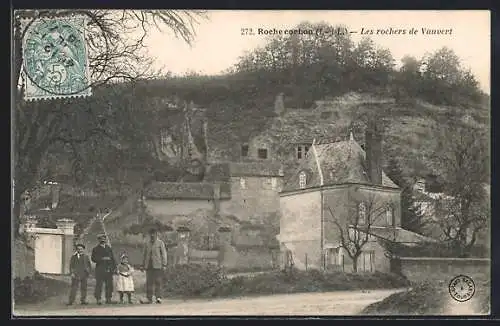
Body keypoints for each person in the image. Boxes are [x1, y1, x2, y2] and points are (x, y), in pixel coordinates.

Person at [140, 228, 167, 304]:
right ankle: (149, 298)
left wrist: (164, 264)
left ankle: (158, 297)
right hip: (148, 266)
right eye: (151, 234)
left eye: (154, 234)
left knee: (158, 281)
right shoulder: (146, 243)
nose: (152, 235)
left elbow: (164, 254)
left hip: (158, 266)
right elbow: (144, 255)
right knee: (149, 282)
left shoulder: (160, 243)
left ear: (156, 234)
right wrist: (142, 265)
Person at [91, 234, 117, 305]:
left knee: (109, 285)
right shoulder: (95, 249)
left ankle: (108, 298)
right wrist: (102, 259)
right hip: (100, 269)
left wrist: (114, 268)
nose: (102, 240)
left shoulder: (109, 248)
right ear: (98, 240)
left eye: (104, 239)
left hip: (109, 269)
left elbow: (113, 259)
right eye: (100, 239)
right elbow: (93, 259)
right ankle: (98, 299)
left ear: (105, 240)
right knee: (99, 285)